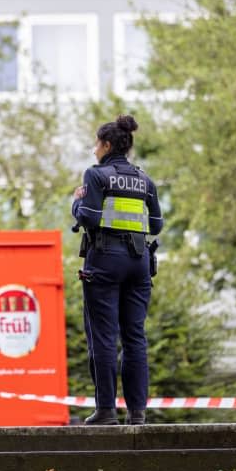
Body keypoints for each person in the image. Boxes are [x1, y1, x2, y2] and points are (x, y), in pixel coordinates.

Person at [71, 115, 163, 425]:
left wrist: (76, 203)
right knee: (135, 337)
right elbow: (157, 224)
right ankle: (138, 413)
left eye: (96, 144)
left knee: (104, 336)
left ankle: (107, 411)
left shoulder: (96, 176)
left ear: (107, 145)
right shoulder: (144, 179)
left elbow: (89, 218)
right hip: (139, 262)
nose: (94, 150)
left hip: (105, 261)